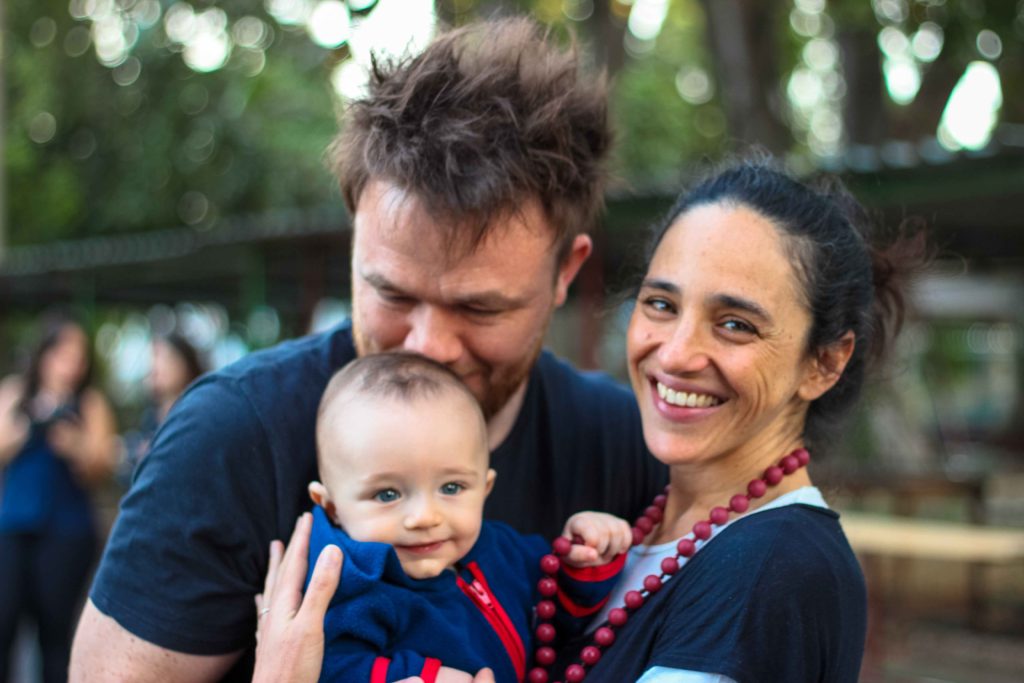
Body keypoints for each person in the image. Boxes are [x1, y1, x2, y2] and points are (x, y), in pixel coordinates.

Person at [71, 17, 665, 683]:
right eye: (393, 293)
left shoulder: (627, 441)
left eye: (479, 306)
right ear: (357, 237)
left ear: (566, 273)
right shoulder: (234, 436)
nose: (428, 346)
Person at [251, 157, 922, 683]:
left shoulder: (775, 565)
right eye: (661, 304)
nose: (678, 352)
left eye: (735, 323)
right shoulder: (648, 530)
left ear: (824, 362)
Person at [307, 352, 630, 682]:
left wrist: (585, 561)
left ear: (484, 488)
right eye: (387, 494)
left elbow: (558, 619)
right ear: (331, 507)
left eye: (451, 487)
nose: (424, 517)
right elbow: (330, 666)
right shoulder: (353, 590)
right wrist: (425, 676)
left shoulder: (507, 553)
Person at [0, 312, 118, 683]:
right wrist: (27, 426)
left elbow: (102, 466)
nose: (71, 364)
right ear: (45, 354)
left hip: (67, 531)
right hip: (14, 526)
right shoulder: (17, 392)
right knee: (4, 623)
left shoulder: (89, 403)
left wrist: (73, 443)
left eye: (78, 356)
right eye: (64, 354)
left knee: (55, 632)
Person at [120, 332, 205, 484]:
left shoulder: (197, 411)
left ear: (185, 363)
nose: (156, 366)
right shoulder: (150, 415)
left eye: (164, 358)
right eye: (154, 357)